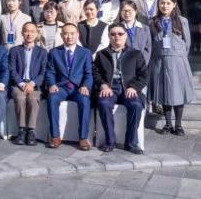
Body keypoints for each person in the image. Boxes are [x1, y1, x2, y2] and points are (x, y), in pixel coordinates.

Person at [94, 23, 147, 154]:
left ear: (126, 35)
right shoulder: (101, 54)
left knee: (136, 105)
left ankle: (131, 143)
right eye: (113, 34)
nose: (116, 36)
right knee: (104, 103)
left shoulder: (135, 54)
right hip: (110, 88)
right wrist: (103, 85)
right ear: (109, 36)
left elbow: (144, 75)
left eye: (120, 34)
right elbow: (95, 73)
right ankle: (110, 141)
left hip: (129, 88)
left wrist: (134, 87)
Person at [149, 0, 196, 136]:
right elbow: (151, 42)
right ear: (158, 4)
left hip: (177, 60)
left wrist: (179, 56)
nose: (165, 6)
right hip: (160, 60)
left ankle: (178, 125)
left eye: (168, 3)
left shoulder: (182, 21)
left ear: (174, 4)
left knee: (178, 92)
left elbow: (187, 43)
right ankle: (168, 124)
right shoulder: (153, 22)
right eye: (162, 3)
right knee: (164, 93)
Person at [45, 23, 93, 151]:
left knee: (85, 100)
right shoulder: (54, 52)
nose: (69, 36)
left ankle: (83, 138)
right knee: (52, 98)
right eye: (66, 33)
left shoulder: (85, 53)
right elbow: (50, 72)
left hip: (78, 88)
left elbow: (88, 73)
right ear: (61, 36)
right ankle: (55, 136)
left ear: (77, 35)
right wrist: (52, 84)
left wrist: (85, 86)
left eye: (72, 33)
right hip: (61, 87)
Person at [8, 23, 47, 146]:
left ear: (36, 34)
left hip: (34, 84)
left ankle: (30, 131)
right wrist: (21, 83)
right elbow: (12, 70)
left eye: (32, 31)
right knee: (20, 97)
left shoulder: (42, 52)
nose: (29, 34)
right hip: (18, 84)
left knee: (33, 99)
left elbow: (43, 72)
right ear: (22, 33)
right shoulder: (14, 50)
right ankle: (21, 130)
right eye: (26, 31)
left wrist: (32, 83)